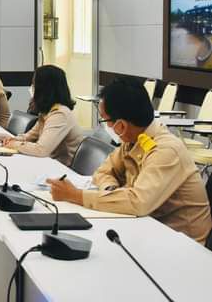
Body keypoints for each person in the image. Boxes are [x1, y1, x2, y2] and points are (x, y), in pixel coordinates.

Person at [47, 78, 212, 244]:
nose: (106, 126)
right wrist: (111, 190)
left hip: (182, 242)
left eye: (105, 120)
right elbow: (103, 172)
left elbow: (138, 202)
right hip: (149, 228)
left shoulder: (166, 151)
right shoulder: (133, 139)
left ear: (121, 125)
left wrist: (76, 195)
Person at [1, 65, 83, 166]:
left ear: (43, 88)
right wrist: (15, 140)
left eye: (34, 84)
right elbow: (31, 136)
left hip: (64, 168)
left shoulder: (60, 114)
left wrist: (15, 145)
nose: (32, 87)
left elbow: (41, 149)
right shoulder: (47, 111)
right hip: (51, 162)